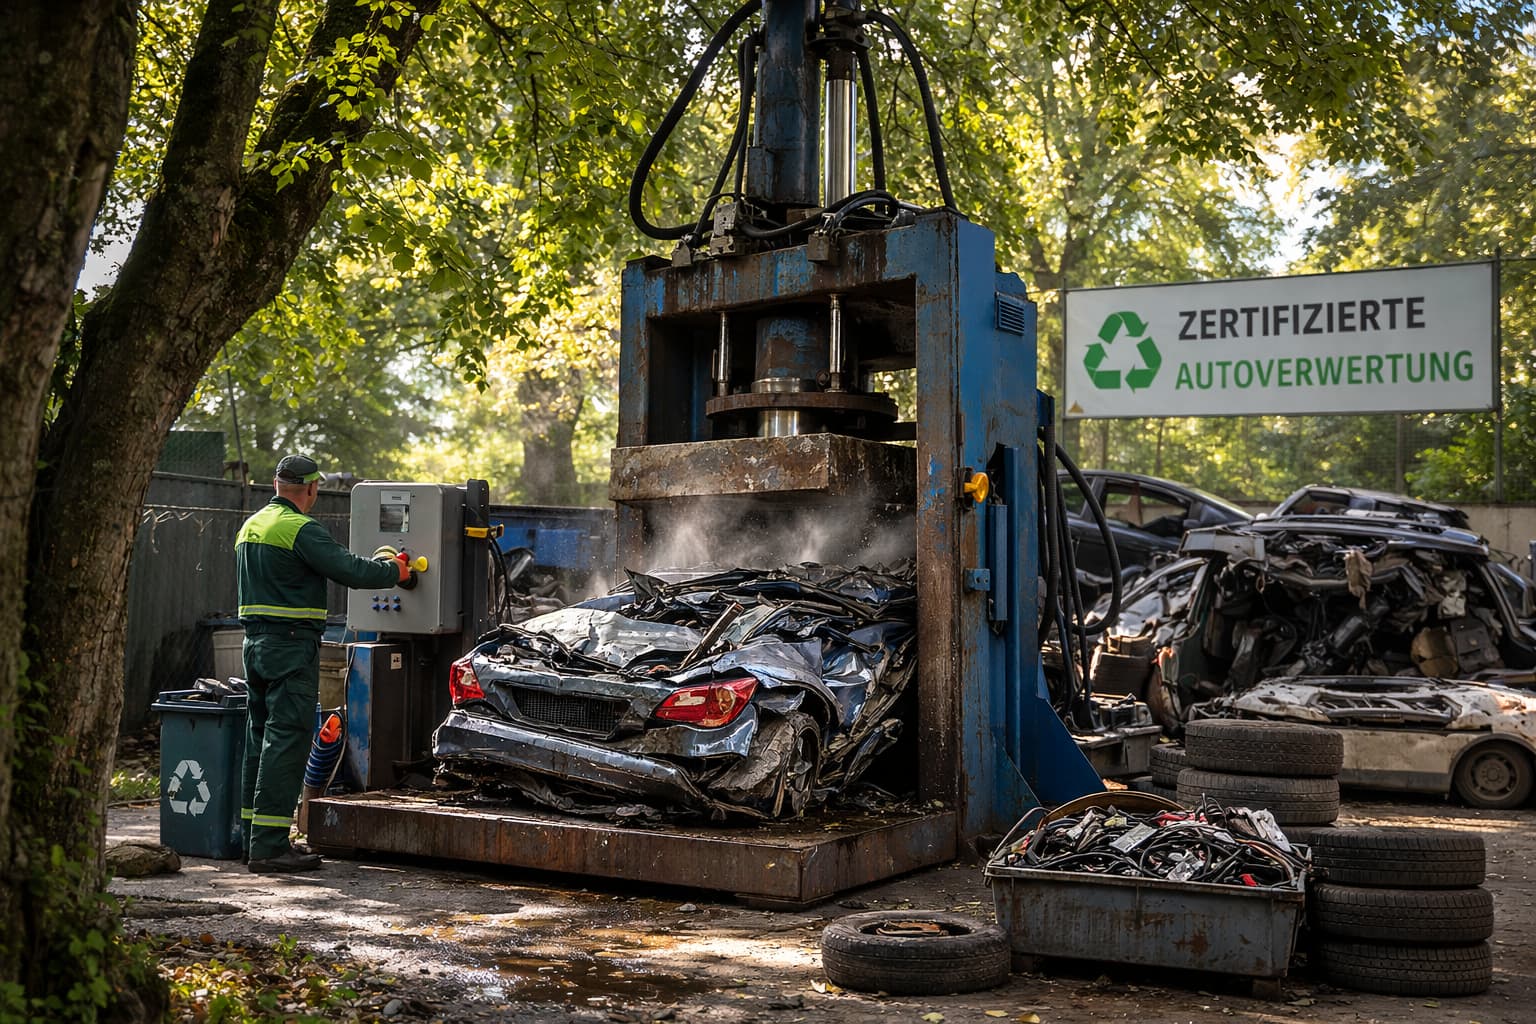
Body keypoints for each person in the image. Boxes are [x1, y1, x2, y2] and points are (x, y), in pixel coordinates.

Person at [236, 454, 412, 872]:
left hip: (255, 645)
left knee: (259, 739)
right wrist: (396, 571)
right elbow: (349, 569)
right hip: (291, 646)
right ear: (312, 489)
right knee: (287, 739)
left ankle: (252, 838)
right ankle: (270, 847)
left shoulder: (252, 526)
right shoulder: (300, 529)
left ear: (277, 485)